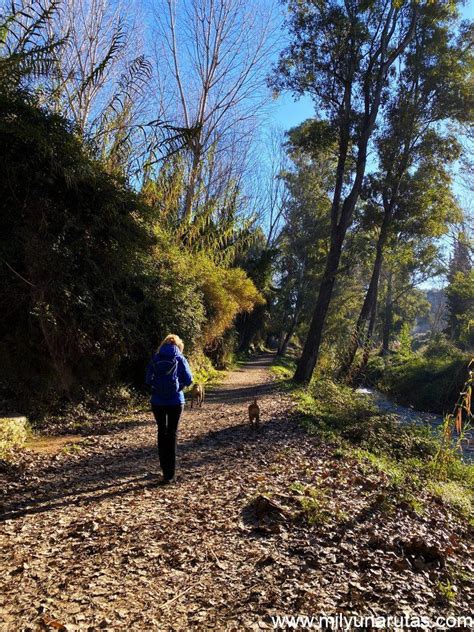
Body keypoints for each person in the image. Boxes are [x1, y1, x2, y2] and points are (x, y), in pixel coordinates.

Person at [145, 334, 193, 484]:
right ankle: (170, 474)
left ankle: (163, 468)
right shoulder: (180, 358)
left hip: (158, 402)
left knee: (161, 432)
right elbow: (189, 379)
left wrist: (157, 388)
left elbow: (147, 379)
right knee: (172, 434)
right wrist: (180, 387)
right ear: (179, 345)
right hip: (175, 401)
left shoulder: (156, 357)